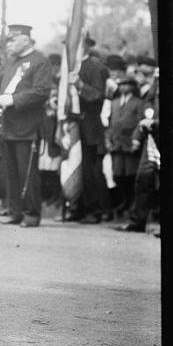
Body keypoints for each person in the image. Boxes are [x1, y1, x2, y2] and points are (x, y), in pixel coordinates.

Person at [0, 24, 53, 228]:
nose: (9, 45)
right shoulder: (13, 63)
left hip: (27, 126)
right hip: (9, 125)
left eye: (13, 40)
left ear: (25, 39)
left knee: (27, 172)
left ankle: (32, 213)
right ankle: (16, 211)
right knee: (10, 172)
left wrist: (13, 100)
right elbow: (2, 89)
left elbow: (41, 91)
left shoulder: (40, 61)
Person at [67, 34, 111, 223]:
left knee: (91, 170)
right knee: (76, 169)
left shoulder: (96, 66)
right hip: (74, 126)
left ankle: (95, 210)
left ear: (85, 46)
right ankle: (77, 207)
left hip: (91, 127)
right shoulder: (68, 67)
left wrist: (81, 86)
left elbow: (98, 95)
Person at [106, 76, 149, 220]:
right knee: (117, 175)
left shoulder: (138, 103)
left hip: (130, 143)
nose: (123, 87)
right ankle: (125, 201)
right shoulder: (115, 102)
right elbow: (111, 122)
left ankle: (131, 203)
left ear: (133, 86)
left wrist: (136, 139)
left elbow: (140, 122)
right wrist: (109, 140)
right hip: (117, 144)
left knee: (131, 175)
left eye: (127, 84)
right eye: (121, 84)